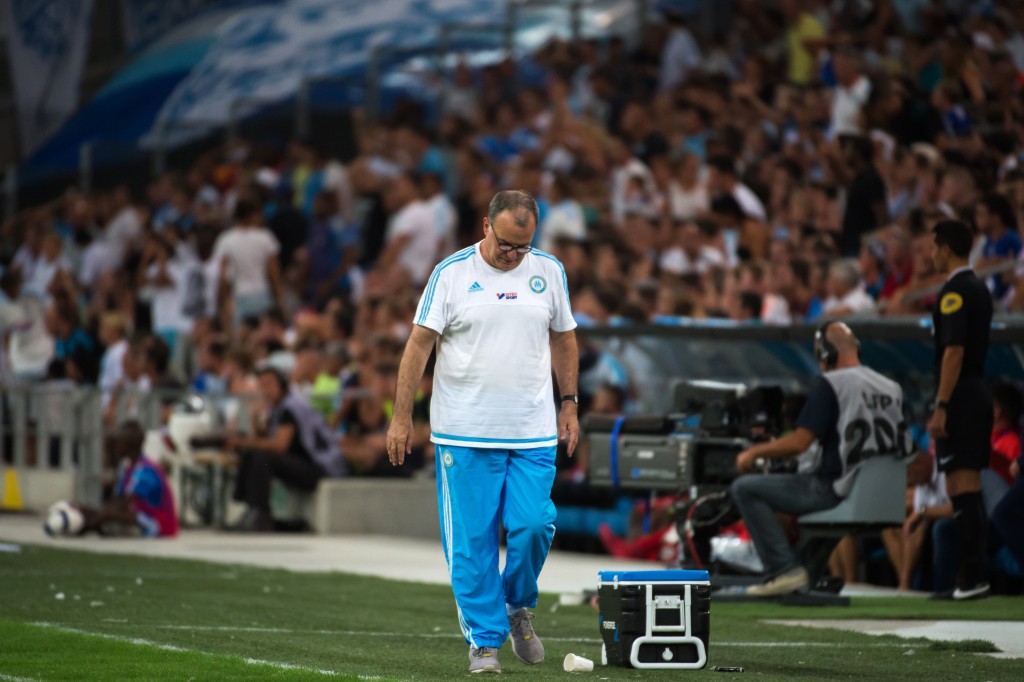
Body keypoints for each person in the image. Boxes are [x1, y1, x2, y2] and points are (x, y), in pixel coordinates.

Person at [386, 189, 578, 673]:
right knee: (472, 543)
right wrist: (402, 415)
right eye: (507, 245)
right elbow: (418, 346)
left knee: (534, 525)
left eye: (524, 246)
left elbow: (564, 337)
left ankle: (518, 607)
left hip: (531, 430)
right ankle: (484, 642)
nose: (515, 256)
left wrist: (570, 404)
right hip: (464, 432)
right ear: (486, 226)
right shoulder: (450, 274)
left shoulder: (548, 271)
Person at [730, 321, 912, 596]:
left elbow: (800, 442)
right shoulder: (890, 387)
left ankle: (783, 570)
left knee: (744, 489)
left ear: (827, 353)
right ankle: (804, 575)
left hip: (835, 489)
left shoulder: (834, 383)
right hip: (878, 494)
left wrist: (753, 452)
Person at [926, 219, 994, 600]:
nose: (932, 255)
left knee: (962, 487)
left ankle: (972, 579)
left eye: (934, 247)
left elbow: (953, 351)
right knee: (967, 488)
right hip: (976, 391)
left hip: (960, 395)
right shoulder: (979, 287)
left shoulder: (954, 291)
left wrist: (941, 405)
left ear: (946, 248)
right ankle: (972, 577)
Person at [226, 367, 346, 531]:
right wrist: (254, 418)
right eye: (262, 386)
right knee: (251, 454)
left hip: (319, 466)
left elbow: (279, 445)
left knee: (262, 457)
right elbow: (262, 439)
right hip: (302, 463)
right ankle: (250, 508)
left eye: (269, 385)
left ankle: (260, 513)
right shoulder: (278, 408)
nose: (265, 391)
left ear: (282, 385)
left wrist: (244, 442)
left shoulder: (291, 407)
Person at [55, 421, 179, 538]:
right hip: (142, 517)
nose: (115, 446)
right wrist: (88, 510)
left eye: (119, 442)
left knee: (110, 515)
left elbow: (123, 503)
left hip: (161, 526)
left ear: (130, 445)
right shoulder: (129, 467)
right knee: (104, 514)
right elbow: (117, 499)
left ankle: (81, 527)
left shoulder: (146, 470)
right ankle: (81, 526)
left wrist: (95, 514)